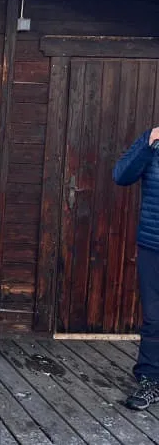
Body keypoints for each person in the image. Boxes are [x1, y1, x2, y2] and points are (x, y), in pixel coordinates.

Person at [113, 128, 159, 411]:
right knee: (154, 317)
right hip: (153, 244)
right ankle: (150, 380)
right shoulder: (151, 140)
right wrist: (149, 143)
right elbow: (121, 175)